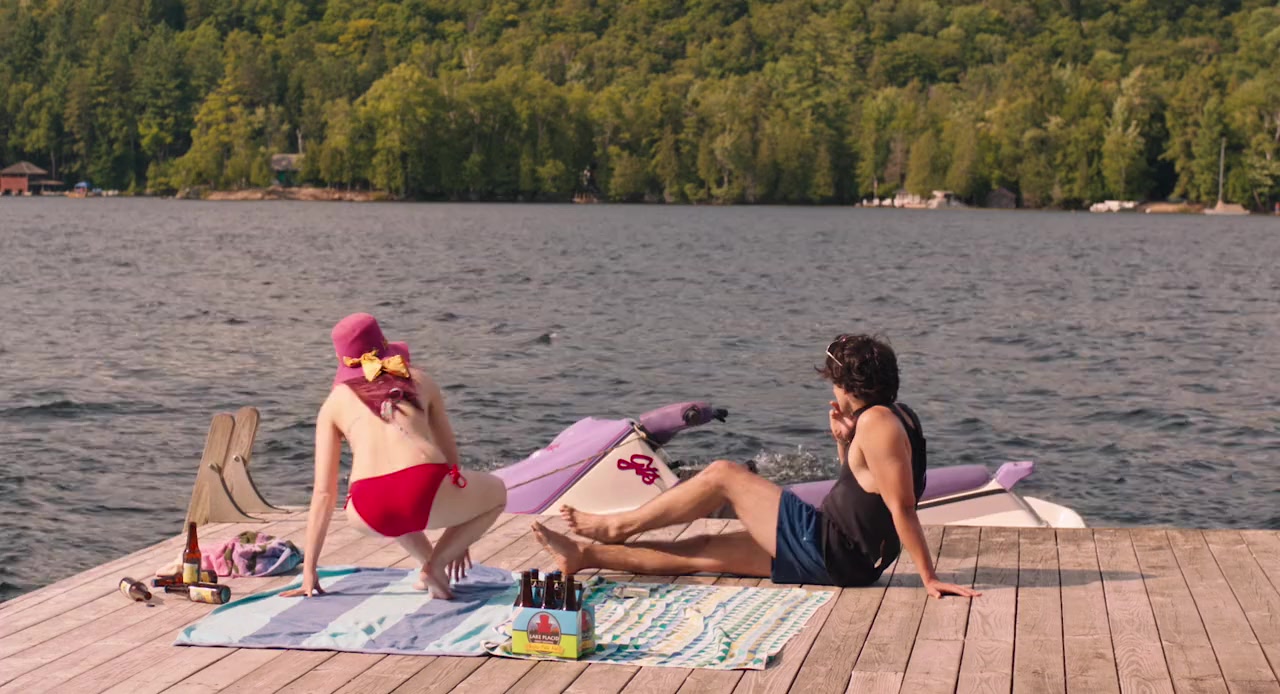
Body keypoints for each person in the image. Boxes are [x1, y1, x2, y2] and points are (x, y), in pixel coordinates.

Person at [532, 334, 980, 598]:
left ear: (847, 385)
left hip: (832, 547)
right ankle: (586, 556)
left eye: (834, 383)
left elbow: (902, 506)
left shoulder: (879, 424)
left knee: (724, 475)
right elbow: (865, 487)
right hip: (846, 560)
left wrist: (929, 577)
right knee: (703, 551)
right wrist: (843, 441)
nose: (832, 391)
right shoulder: (895, 416)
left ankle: (617, 527)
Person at [283, 313, 507, 599]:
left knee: (391, 504)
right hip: (422, 488)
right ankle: (436, 564)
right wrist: (458, 535)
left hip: (367, 509)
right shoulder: (420, 380)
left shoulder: (332, 404)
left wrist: (309, 571)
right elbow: (452, 463)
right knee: (498, 492)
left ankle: (430, 567)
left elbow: (324, 494)